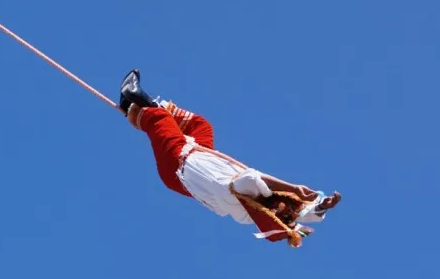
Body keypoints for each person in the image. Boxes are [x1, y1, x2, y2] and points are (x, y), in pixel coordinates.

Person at [119, 69, 340, 246]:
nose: (284, 201)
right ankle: (132, 106)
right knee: (201, 126)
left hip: (178, 163)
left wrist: (293, 188)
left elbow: (253, 177)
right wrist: (320, 206)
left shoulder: (249, 195)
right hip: (198, 158)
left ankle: (134, 98)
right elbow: (295, 214)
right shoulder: (254, 209)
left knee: (160, 120)